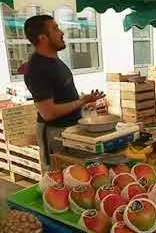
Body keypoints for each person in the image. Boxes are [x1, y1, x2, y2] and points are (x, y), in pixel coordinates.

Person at [23, 15, 105, 170]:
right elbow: (48, 112)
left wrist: (85, 102)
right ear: (43, 38)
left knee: (77, 175)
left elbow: (62, 99)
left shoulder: (55, 61)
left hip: (70, 129)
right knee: (58, 178)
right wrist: (81, 101)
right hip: (55, 134)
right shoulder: (37, 69)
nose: (62, 33)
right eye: (55, 29)